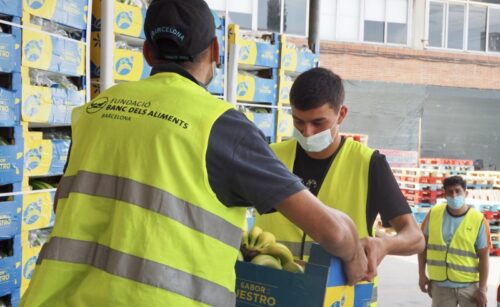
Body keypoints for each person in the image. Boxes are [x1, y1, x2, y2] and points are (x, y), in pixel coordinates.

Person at [20, 1, 370, 306]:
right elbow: (331, 232)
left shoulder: (97, 110)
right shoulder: (221, 126)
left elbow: (67, 204)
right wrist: (355, 253)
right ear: (216, 51)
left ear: (147, 52)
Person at [254, 67, 425, 304]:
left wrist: (384, 244)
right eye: (298, 122)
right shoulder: (270, 158)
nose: (307, 132)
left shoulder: (368, 164)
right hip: (274, 294)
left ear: (341, 114)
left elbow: (415, 237)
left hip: (341, 298)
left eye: (318, 122)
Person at [418, 176, 491, 307]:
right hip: (440, 287)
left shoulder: (478, 219)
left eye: (458, 191)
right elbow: (422, 247)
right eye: (450, 192)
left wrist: (482, 288)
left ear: (466, 193)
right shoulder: (434, 213)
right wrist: (421, 274)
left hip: (469, 288)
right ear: (444, 194)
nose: (454, 195)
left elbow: (484, 256)